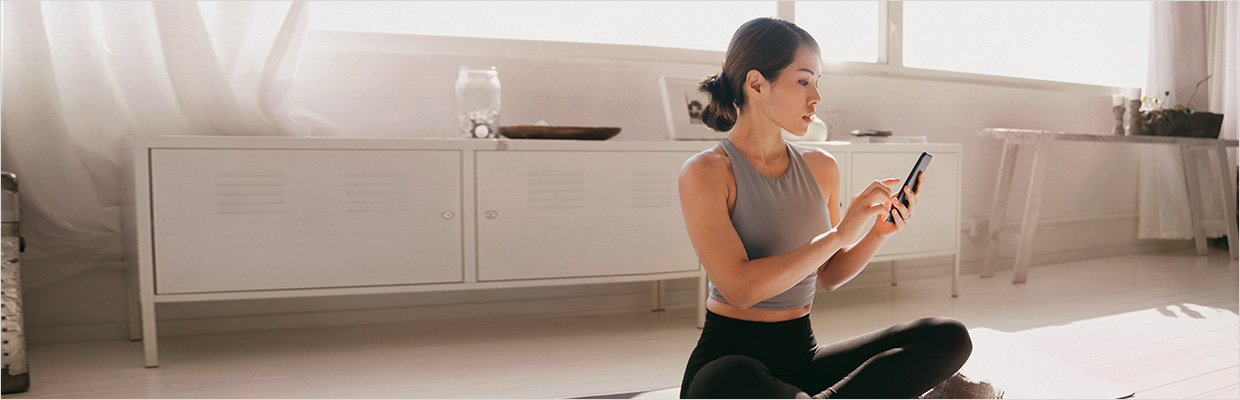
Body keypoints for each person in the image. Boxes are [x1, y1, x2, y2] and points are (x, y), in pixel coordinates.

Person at [677, 17, 972, 399]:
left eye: (818, 82)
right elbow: (740, 289)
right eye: (803, 81)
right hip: (729, 363)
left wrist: (877, 234)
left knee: (948, 337)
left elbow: (829, 275)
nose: (816, 97)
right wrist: (838, 235)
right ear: (756, 84)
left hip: (802, 357)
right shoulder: (706, 172)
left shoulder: (821, 167)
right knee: (732, 377)